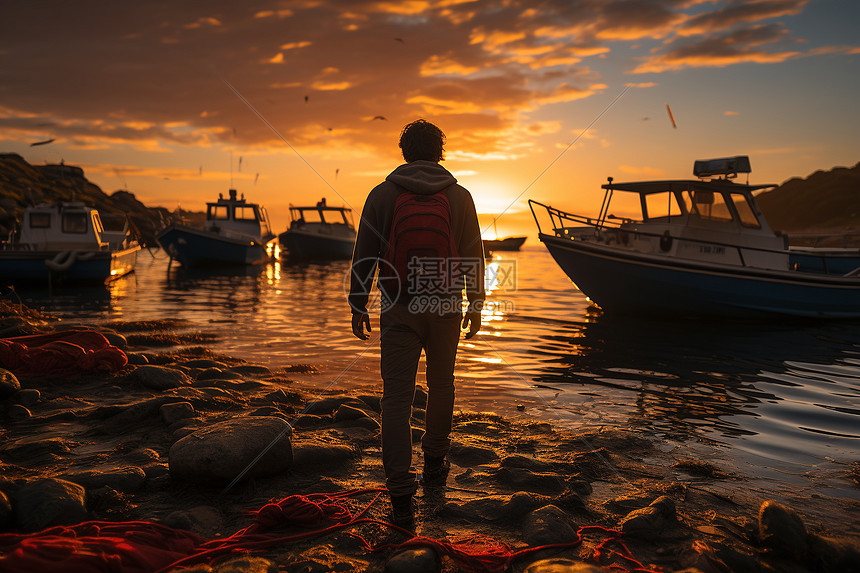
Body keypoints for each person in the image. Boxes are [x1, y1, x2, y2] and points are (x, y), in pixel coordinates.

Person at [349, 119, 484, 527]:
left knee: (396, 397)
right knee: (442, 384)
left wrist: (359, 304)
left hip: (399, 306)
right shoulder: (459, 196)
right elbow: (472, 253)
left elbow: (365, 254)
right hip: (444, 305)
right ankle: (435, 463)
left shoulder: (382, 194)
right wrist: (476, 302)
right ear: (439, 152)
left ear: (405, 152)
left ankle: (400, 492)